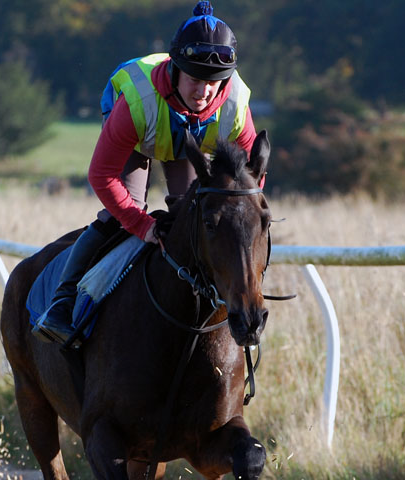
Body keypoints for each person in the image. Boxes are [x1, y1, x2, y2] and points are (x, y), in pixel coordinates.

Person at [33, 0, 259, 344]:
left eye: (214, 82)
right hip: (140, 137)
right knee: (118, 219)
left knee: (194, 217)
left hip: (186, 143)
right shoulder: (137, 104)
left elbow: (252, 180)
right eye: (195, 80)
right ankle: (62, 303)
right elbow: (102, 175)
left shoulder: (236, 105)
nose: (204, 91)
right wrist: (142, 225)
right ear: (176, 69)